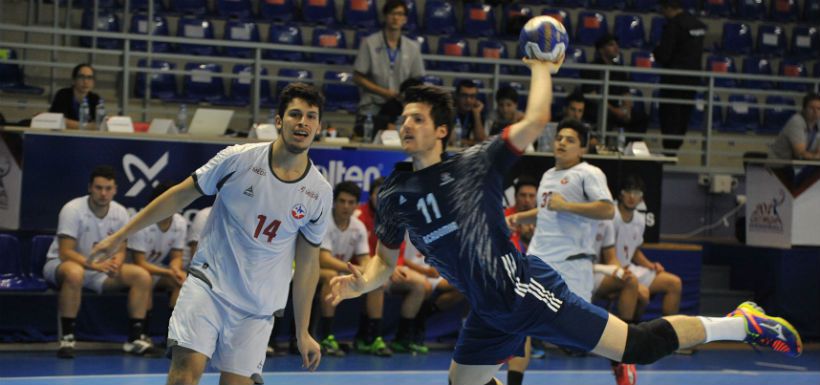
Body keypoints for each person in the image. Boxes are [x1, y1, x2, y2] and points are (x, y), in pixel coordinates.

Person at [326, 57, 801, 385]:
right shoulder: (394, 194)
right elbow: (382, 267)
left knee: (637, 346)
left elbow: (535, 120)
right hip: (489, 313)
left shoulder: (474, 165)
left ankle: (741, 324)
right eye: (404, 119)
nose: (406, 125)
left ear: (442, 130)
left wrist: (540, 66)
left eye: (418, 119)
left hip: (528, 293)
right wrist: (357, 286)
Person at [91, 82, 332, 385]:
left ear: (319, 126)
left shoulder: (319, 192)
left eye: (311, 116)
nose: (303, 122)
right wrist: (119, 236)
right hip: (209, 285)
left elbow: (308, 265)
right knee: (183, 376)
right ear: (279, 121)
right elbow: (178, 196)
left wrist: (303, 331)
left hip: (257, 307)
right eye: (295, 114)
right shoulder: (238, 159)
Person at [507, 119, 636, 385]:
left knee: (581, 333)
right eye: (559, 138)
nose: (562, 143)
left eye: (570, 140)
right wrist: (519, 218)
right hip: (538, 260)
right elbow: (546, 212)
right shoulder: (547, 175)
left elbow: (607, 209)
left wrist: (566, 207)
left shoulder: (588, 173)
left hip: (571, 266)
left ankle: (622, 357)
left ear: (582, 148)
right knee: (521, 325)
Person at [42, 165, 155, 359]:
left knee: (141, 276)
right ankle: (67, 338)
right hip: (61, 264)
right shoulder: (72, 209)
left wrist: (116, 264)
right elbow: (65, 252)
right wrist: (94, 265)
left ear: (115, 190)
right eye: (99, 188)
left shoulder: (120, 212)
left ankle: (135, 338)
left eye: (108, 188)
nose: (103, 193)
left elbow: (121, 248)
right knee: (74, 273)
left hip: (100, 271)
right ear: (90, 188)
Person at [317, 181, 392, 357]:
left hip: (343, 270)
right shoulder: (324, 221)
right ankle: (326, 336)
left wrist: (368, 274)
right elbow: (324, 259)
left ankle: (373, 338)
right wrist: (358, 268)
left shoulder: (357, 226)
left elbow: (366, 259)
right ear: (334, 202)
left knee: (375, 283)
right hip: (313, 269)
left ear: (357, 205)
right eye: (342, 201)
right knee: (331, 275)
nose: (346, 206)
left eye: (351, 202)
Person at [353, 0, 425, 139]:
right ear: (385, 16)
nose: (396, 17)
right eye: (392, 13)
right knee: (367, 140)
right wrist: (384, 92)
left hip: (400, 107)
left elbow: (417, 80)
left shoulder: (413, 47)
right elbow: (358, 77)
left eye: (400, 14)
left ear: (405, 19)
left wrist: (404, 96)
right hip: (372, 105)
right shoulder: (370, 43)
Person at [613, 175, 682, 317]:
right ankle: (628, 333)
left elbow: (634, 250)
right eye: (628, 192)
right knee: (643, 294)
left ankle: (668, 333)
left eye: (637, 193)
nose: (632, 197)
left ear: (641, 198)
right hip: (611, 270)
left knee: (674, 283)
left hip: (629, 269)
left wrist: (650, 265)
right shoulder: (611, 216)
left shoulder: (639, 220)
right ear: (621, 194)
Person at [128, 183, 188, 315]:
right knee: (144, 278)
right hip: (132, 269)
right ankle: (141, 332)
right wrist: (168, 273)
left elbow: (177, 256)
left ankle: (172, 331)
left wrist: (176, 269)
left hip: (157, 269)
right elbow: (139, 262)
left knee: (183, 282)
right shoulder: (140, 221)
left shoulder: (180, 222)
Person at [654, 0, 706, 151]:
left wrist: (656, 50)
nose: (662, 13)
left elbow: (664, 55)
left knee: (670, 116)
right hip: (691, 79)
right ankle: (674, 149)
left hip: (673, 80)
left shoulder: (673, 25)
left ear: (669, 8)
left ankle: (670, 150)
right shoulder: (697, 24)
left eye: (663, 9)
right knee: (684, 115)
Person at [581, 34, 648, 138]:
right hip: (597, 108)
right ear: (601, 50)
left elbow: (625, 93)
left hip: (615, 108)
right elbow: (593, 96)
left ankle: (630, 146)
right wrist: (615, 111)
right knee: (604, 115)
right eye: (611, 45)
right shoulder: (591, 68)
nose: (616, 48)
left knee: (641, 117)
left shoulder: (619, 69)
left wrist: (627, 110)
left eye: (617, 45)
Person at [591, 220, 648, 325]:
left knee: (632, 283)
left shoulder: (606, 222)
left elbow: (611, 257)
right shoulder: (571, 218)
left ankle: (628, 334)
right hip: (570, 272)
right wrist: (608, 270)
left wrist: (620, 272)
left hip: (593, 274)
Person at [49, 63, 101, 130]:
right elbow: (58, 120)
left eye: (89, 77)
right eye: (81, 77)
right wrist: (87, 126)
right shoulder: (63, 94)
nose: (85, 81)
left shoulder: (95, 98)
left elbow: (99, 124)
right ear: (73, 80)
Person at [770, 92, 820, 160]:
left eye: (818, 108)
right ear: (804, 109)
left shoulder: (817, 123)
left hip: (799, 164)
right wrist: (816, 156)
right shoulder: (796, 121)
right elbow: (800, 153)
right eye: (811, 108)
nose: (816, 112)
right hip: (780, 164)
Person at [453, 79, 487, 146]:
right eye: (464, 95)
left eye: (472, 96)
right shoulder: (450, 110)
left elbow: (481, 140)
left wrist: (476, 114)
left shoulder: (477, 111)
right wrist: (472, 142)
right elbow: (451, 140)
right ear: (457, 96)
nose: (468, 100)